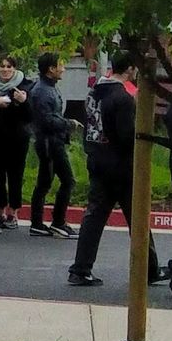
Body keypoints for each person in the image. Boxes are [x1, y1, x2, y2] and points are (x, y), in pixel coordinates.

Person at [69, 53, 156, 287]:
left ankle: (80, 268)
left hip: (97, 159)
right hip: (120, 165)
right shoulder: (122, 98)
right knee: (137, 217)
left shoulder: (94, 93)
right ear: (129, 69)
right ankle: (150, 269)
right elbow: (128, 137)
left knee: (94, 216)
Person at [28, 51, 77, 238]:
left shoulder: (48, 87)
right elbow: (46, 120)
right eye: (61, 66)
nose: (63, 70)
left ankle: (37, 223)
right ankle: (57, 222)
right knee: (67, 181)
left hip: (51, 141)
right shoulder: (42, 91)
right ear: (51, 69)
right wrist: (69, 123)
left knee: (44, 182)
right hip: (50, 142)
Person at [0, 54, 32, 227]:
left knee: (15, 174)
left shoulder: (24, 85)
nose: (5, 70)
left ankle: (14, 212)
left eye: (9, 66)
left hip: (17, 138)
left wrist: (23, 102)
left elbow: (30, 115)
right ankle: (0, 211)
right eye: (2, 66)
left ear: (15, 69)